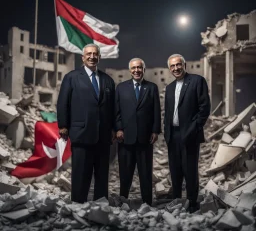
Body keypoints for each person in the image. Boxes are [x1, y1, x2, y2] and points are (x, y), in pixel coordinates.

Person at [57, 43, 115, 203]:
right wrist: (63, 125)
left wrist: (114, 128)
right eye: (88, 54)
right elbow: (63, 102)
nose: (92, 56)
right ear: (83, 58)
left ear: (99, 57)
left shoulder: (108, 80)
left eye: (95, 54)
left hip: (103, 136)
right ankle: (77, 204)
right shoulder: (71, 77)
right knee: (81, 173)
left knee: (102, 174)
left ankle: (100, 206)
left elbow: (112, 108)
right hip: (81, 133)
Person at [164, 54, 210, 213]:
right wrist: (167, 134)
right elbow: (168, 113)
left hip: (190, 134)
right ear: (169, 69)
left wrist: (195, 128)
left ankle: (191, 204)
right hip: (173, 136)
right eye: (172, 66)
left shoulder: (197, 81)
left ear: (184, 65)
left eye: (178, 65)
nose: (176, 68)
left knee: (190, 170)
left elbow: (204, 109)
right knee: (175, 170)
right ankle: (177, 201)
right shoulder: (169, 88)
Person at [115, 58, 161, 205]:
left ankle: (147, 202)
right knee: (125, 173)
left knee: (145, 173)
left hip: (145, 138)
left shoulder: (152, 87)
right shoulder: (121, 88)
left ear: (143, 69)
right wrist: (118, 128)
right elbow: (116, 112)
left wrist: (155, 130)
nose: (136, 70)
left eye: (139, 68)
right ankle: (123, 200)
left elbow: (156, 111)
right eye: (134, 68)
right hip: (125, 138)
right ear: (130, 70)